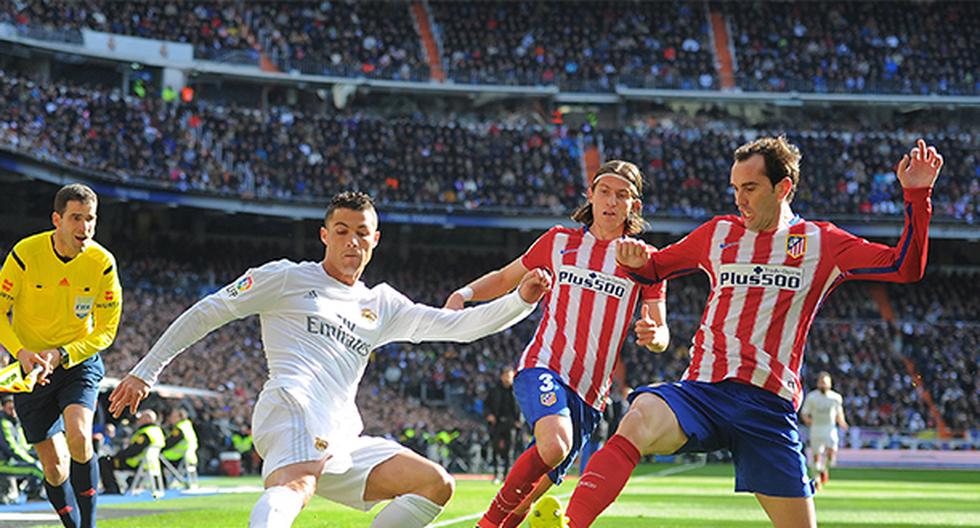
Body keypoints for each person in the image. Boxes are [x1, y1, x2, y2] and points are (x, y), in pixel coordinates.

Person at [107, 191, 552, 528]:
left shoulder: (382, 305)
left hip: (341, 432)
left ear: (375, 240)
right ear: (324, 235)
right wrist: (147, 369)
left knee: (435, 484)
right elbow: (210, 310)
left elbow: (457, 327)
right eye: (341, 231)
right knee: (297, 486)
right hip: (293, 406)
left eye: (362, 232)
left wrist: (521, 300)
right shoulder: (285, 277)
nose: (352, 241)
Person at [560, 137, 943, 528]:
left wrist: (917, 196)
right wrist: (636, 261)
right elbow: (654, 269)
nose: (739, 199)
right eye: (735, 188)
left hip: (767, 408)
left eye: (750, 188)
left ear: (783, 188)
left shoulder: (821, 242)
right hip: (703, 393)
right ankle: (568, 524)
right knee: (638, 416)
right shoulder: (718, 233)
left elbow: (905, 267)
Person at [443, 161, 670, 528]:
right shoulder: (559, 241)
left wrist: (655, 336)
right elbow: (505, 277)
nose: (611, 201)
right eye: (604, 192)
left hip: (590, 395)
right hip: (544, 366)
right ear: (591, 196)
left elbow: (660, 328)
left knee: (533, 491)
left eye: (622, 195)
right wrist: (464, 293)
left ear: (635, 206)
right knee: (554, 446)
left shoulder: (645, 261)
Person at [0, 183, 121, 528]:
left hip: (76, 361)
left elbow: (106, 330)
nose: (84, 228)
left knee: (80, 435)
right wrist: (21, 352)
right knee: (53, 467)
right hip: (28, 369)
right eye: (76, 218)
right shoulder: (25, 254)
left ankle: (89, 526)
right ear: (57, 219)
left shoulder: (102, 263)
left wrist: (63, 354)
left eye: (90, 219)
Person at [97, 410, 165, 495]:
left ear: (148, 419)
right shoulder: (157, 431)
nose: (138, 420)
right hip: (151, 464)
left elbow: (133, 451)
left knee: (104, 461)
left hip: (135, 463)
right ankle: (119, 486)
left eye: (141, 418)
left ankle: (111, 489)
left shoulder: (145, 433)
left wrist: (117, 456)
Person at [800, 371, 847, 489]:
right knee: (816, 454)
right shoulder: (812, 397)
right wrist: (809, 422)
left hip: (830, 428)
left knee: (832, 452)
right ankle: (817, 478)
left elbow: (839, 413)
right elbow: (804, 413)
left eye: (825, 383)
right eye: (821, 382)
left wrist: (842, 422)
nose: (823, 385)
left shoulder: (836, 398)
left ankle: (824, 469)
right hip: (816, 428)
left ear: (830, 384)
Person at [0, 395, 44, 503]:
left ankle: (33, 492)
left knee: (45, 461)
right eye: (10, 408)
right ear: (4, 407)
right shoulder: (3, 422)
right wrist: (32, 461)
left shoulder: (16, 422)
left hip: (11, 461)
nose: (14, 411)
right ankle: (32, 494)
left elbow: (24, 446)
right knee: (36, 468)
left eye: (15, 408)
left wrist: (39, 454)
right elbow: (12, 449)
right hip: (3, 464)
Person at [483, 366, 521, 483]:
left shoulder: (517, 391)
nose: (508, 379)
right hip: (497, 422)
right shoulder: (494, 390)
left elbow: (522, 406)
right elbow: (486, 405)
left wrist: (520, 420)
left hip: (511, 423)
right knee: (495, 449)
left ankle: (507, 475)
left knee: (510, 450)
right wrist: (489, 415)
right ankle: (496, 474)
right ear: (502, 376)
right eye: (506, 376)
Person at [161, 408, 198, 487]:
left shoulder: (179, 428)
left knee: (156, 458)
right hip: (188, 456)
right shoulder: (187, 425)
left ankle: (162, 485)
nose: (170, 418)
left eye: (173, 416)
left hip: (176, 457)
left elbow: (169, 443)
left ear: (179, 417)